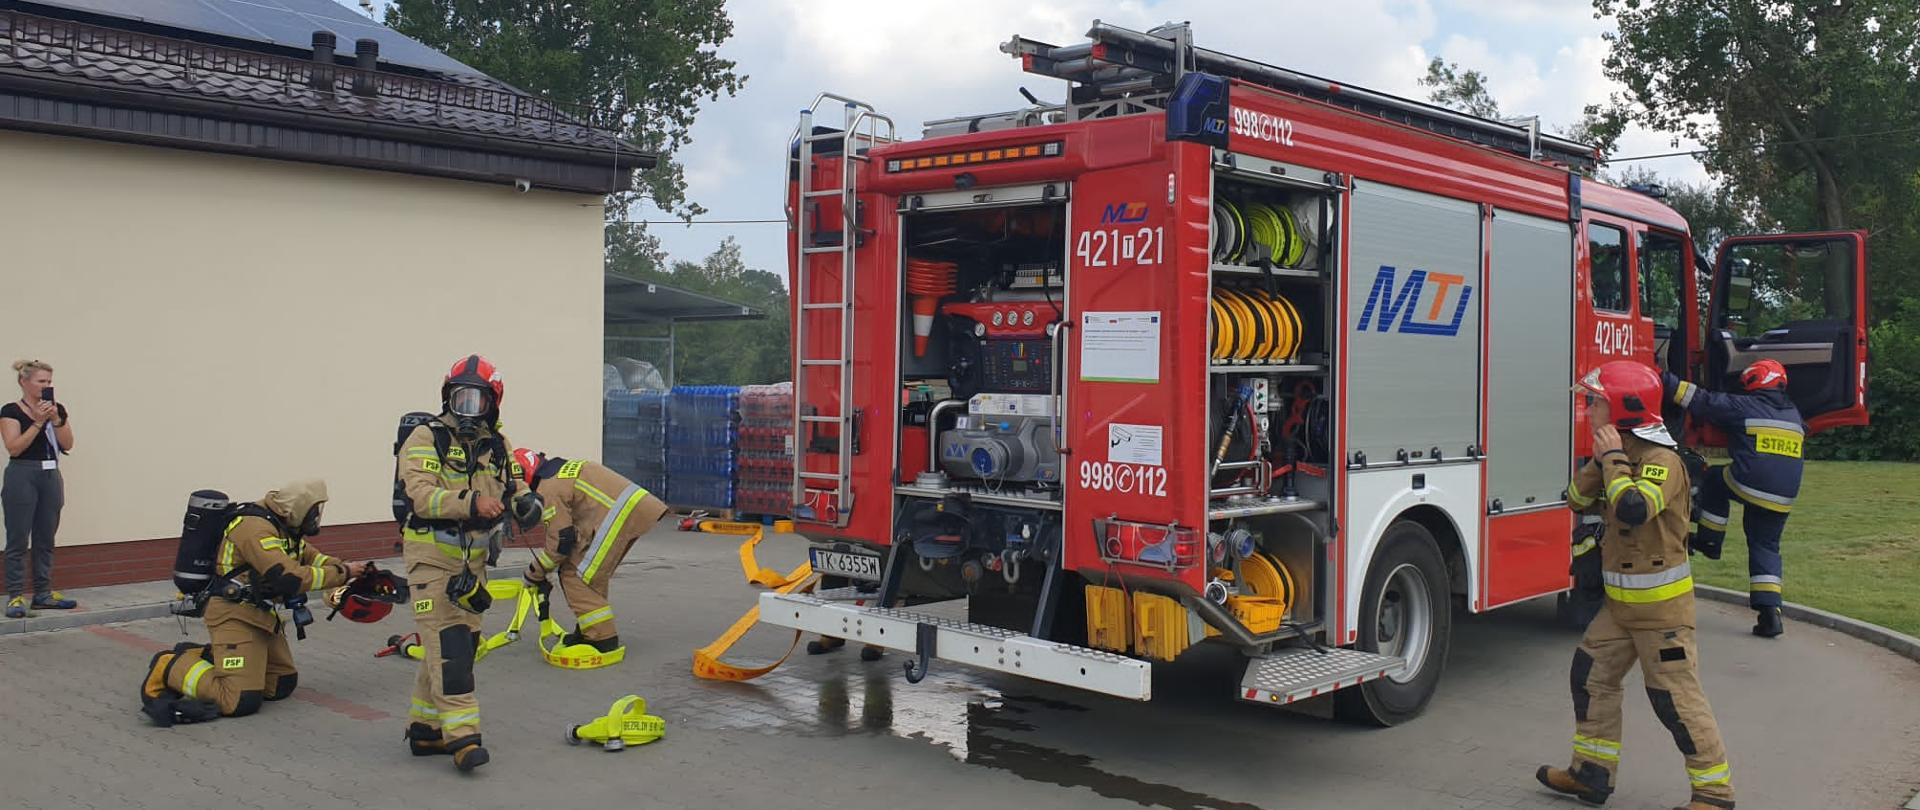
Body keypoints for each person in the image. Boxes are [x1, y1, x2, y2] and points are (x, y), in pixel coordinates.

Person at [1537, 360, 1734, 810]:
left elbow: (1631, 508)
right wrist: (1603, 457)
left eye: (1597, 403)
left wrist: (1611, 459)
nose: (1589, 410)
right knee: (1590, 678)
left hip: (1661, 615)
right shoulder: (1619, 454)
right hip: (1621, 609)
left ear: (1623, 408)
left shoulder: (1662, 460)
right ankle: (1591, 775)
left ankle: (1714, 795)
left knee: (1675, 700)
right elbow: (1576, 499)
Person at [395, 355, 533, 772]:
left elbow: (516, 484)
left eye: (477, 400)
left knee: (456, 647)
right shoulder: (425, 438)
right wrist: (471, 502)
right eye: (461, 398)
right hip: (431, 562)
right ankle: (463, 739)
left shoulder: (497, 445)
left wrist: (527, 503)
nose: (468, 408)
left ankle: (425, 730)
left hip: (472, 566)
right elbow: (421, 495)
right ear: (447, 398)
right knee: (451, 651)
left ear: (493, 403)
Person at [138, 479, 367, 725]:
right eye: (314, 510)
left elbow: (313, 558)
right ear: (298, 508)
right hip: (233, 613)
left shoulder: (285, 527)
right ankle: (170, 665)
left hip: (261, 615)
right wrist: (343, 572)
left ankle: (212, 655)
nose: (317, 517)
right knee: (238, 700)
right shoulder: (254, 529)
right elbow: (288, 577)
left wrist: (355, 570)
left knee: (280, 683)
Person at [1664, 360, 1803, 638]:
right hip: (1783, 497)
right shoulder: (1794, 415)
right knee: (1766, 546)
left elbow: (1701, 400)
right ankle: (1770, 615)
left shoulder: (1746, 406)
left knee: (1715, 479)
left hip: (1749, 482)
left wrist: (1661, 376)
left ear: (1755, 381)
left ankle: (1710, 541)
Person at [513, 448, 669, 656]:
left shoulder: (548, 489)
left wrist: (534, 573)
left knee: (575, 575)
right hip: (633, 510)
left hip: (616, 518)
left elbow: (560, 543)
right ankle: (588, 630)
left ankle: (602, 639)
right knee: (591, 572)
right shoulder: (561, 471)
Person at [3, 359, 76, 618]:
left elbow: (68, 443)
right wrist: (37, 422)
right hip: (23, 473)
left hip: (50, 474)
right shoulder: (12, 411)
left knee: (46, 536)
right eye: (41, 381)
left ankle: (43, 593)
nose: (46, 386)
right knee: (18, 537)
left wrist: (55, 419)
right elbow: (14, 447)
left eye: (49, 382)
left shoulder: (56, 409)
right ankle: (15, 596)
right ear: (25, 382)